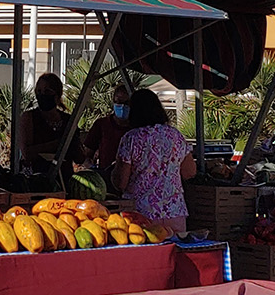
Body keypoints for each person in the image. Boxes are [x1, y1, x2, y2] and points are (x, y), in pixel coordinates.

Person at [114, 88, 196, 233]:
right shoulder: (175, 136)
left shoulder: (131, 138)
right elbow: (190, 172)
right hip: (174, 212)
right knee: (174, 253)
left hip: (141, 215)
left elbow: (121, 182)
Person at [17, 72, 72, 185]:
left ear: (57, 95)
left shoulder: (68, 120)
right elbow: (26, 153)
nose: (42, 95)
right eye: (39, 91)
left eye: (47, 91)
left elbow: (79, 157)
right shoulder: (29, 117)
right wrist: (57, 144)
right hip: (34, 179)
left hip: (63, 179)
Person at [82, 84, 132, 186]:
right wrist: (93, 169)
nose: (121, 106)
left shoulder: (138, 129)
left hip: (131, 181)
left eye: (125, 103)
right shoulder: (102, 124)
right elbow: (86, 154)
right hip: (105, 179)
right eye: (118, 102)